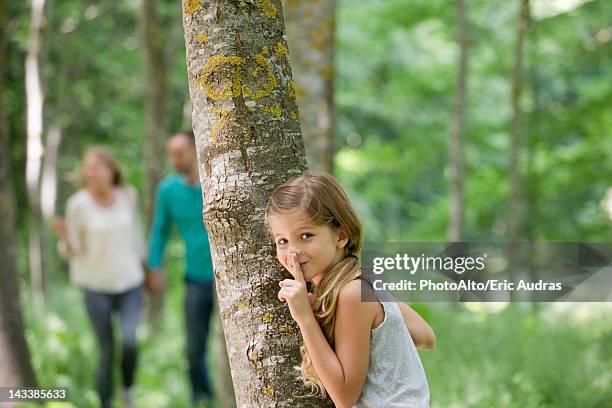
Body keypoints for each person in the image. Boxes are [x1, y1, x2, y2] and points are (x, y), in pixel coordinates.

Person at [265, 171, 436, 408]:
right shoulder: (365, 283)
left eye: (306, 236)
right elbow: (425, 334)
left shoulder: (352, 293)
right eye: (282, 241)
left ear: (341, 236)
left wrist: (305, 317)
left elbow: (344, 398)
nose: (293, 251)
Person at [53, 146, 145, 408]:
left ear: (111, 170)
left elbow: (136, 236)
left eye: (96, 167)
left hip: (130, 282)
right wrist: (65, 238)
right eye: (88, 168)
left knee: (129, 341)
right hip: (96, 287)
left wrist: (148, 268)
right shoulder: (77, 204)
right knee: (107, 350)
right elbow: (74, 250)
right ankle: (104, 402)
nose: (90, 172)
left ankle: (127, 390)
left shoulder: (128, 195)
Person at [146, 130, 215, 406]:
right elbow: (160, 230)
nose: (174, 160)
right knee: (193, 348)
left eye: (179, 153)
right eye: (171, 154)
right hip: (195, 278)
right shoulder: (168, 190)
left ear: (196, 151)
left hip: (226, 279)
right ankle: (202, 398)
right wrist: (154, 266)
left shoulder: (215, 182)